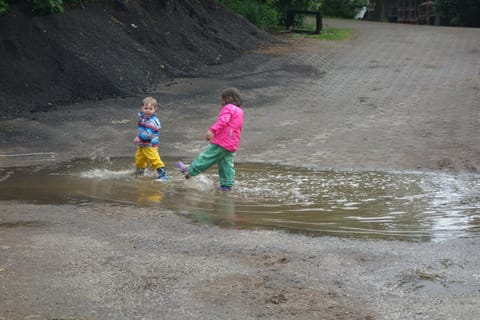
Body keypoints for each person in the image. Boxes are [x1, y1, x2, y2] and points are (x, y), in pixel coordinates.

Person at [177, 87, 244, 191]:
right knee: (226, 164)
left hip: (222, 141)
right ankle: (226, 185)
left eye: (222, 99)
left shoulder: (228, 108)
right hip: (232, 144)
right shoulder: (239, 111)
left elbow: (223, 120)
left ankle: (190, 171)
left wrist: (212, 130)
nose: (221, 102)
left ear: (229, 98)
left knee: (207, 156)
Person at [133, 96, 169, 181]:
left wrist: (139, 137)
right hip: (142, 144)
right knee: (139, 158)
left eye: (150, 109)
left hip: (150, 144)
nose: (148, 110)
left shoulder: (153, 121)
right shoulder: (143, 118)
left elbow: (149, 133)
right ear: (142, 108)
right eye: (146, 108)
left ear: (155, 109)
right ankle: (140, 171)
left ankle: (163, 175)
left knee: (154, 159)